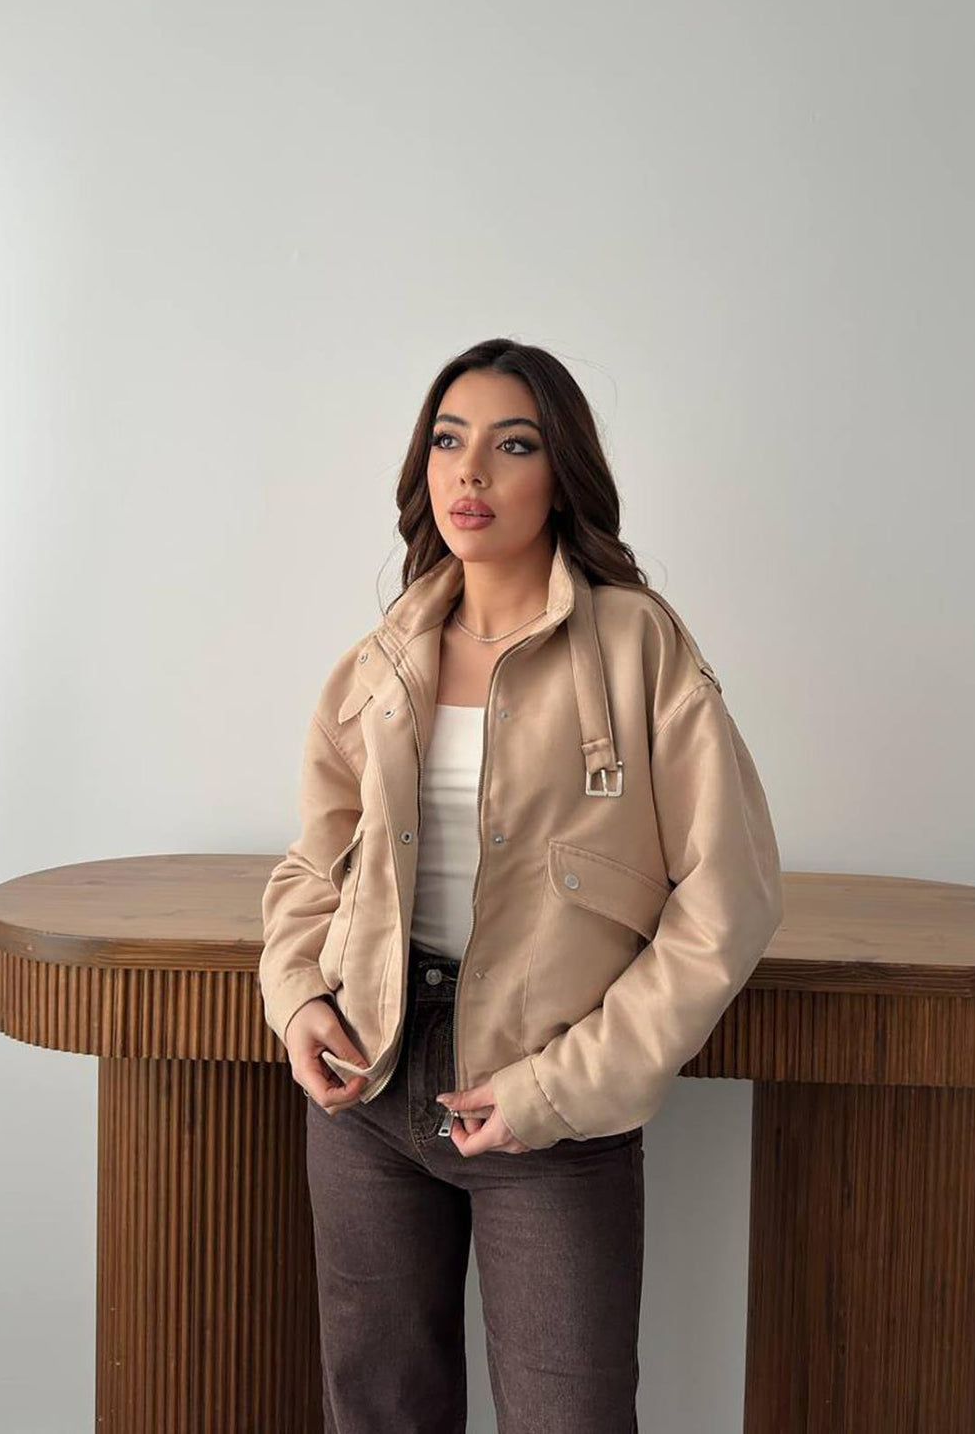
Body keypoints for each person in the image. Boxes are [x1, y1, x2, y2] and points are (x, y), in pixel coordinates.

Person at [259, 336, 784, 1433]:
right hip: (365, 1085)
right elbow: (317, 861)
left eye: (512, 445)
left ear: (561, 474)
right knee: (378, 1414)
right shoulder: (384, 657)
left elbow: (727, 899)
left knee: (569, 1417)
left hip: (549, 1105)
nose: (471, 471)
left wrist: (562, 1086)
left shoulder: (638, 645)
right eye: (449, 441)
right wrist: (299, 995)